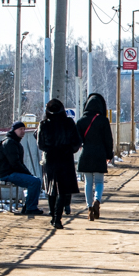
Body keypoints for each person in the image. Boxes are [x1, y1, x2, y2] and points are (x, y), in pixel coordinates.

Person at [38, 98, 81, 229]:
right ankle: (58, 218)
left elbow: (40, 144)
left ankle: (53, 216)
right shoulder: (68, 123)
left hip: (50, 159)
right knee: (63, 189)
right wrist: (69, 150)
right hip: (65, 158)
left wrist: (50, 149)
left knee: (51, 189)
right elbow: (76, 142)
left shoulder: (44, 124)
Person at [0, 121, 44, 215]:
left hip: (10, 173)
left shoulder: (13, 142)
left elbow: (17, 164)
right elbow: (15, 163)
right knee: (34, 181)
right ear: (14, 130)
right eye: (20, 129)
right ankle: (30, 208)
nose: (23, 131)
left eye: (24, 129)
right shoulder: (10, 143)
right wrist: (28, 174)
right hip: (7, 174)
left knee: (35, 181)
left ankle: (28, 206)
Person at [77, 93, 115, 221]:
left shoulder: (81, 121)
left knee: (88, 182)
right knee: (99, 181)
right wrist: (109, 155)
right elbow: (108, 140)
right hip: (100, 154)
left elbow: (78, 139)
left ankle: (89, 208)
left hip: (86, 153)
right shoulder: (103, 121)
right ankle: (97, 201)